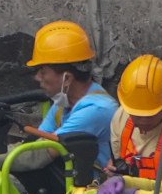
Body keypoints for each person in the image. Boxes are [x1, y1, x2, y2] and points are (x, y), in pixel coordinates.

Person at [20, 20, 113, 172]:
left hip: (93, 190)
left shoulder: (97, 110)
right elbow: (37, 142)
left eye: (43, 71)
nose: (37, 77)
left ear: (67, 78)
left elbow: (39, 155)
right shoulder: (63, 101)